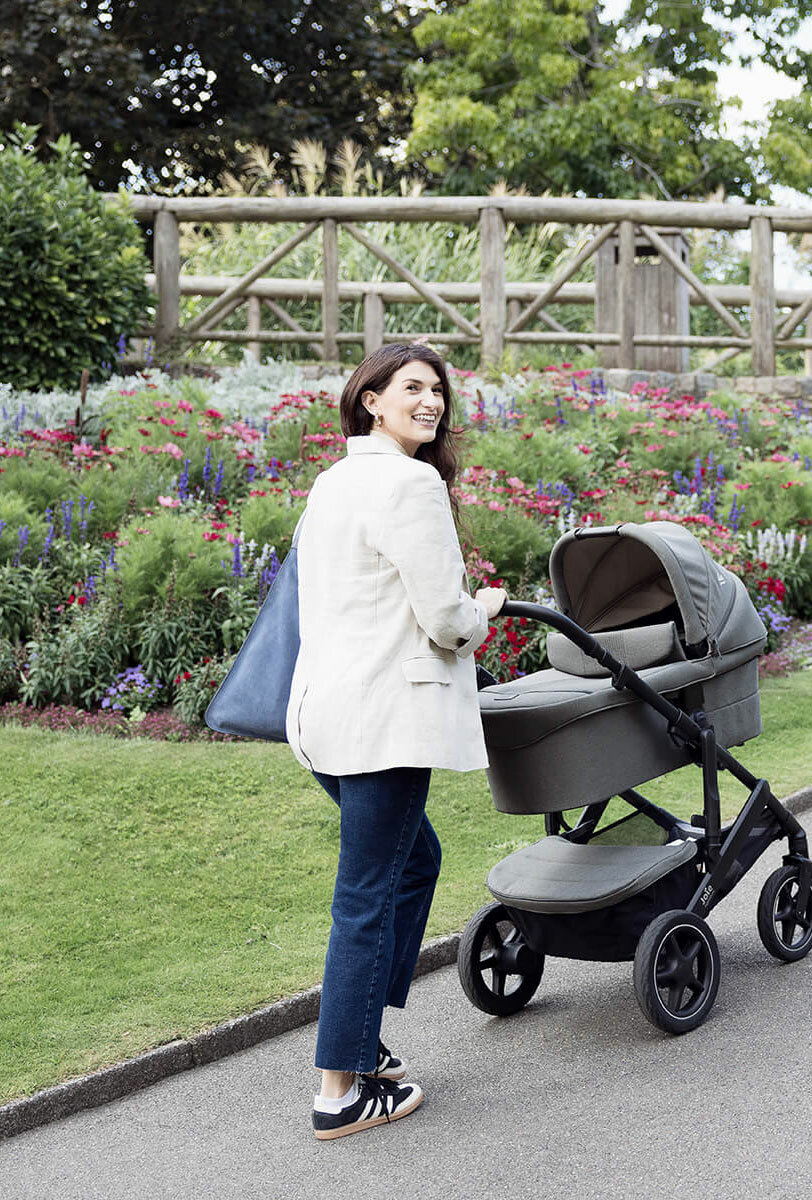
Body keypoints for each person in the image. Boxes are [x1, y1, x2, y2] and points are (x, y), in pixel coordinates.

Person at [285, 342, 506, 1140]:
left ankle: (360, 1038)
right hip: (383, 721)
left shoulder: (334, 480)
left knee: (415, 862)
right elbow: (446, 620)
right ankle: (339, 1091)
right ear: (370, 399)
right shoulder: (411, 483)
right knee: (367, 895)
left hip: (323, 717)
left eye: (438, 389)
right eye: (412, 387)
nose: (432, 400)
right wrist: (485, 605)